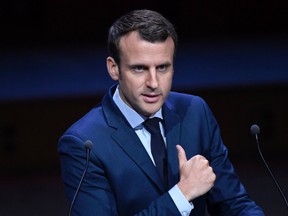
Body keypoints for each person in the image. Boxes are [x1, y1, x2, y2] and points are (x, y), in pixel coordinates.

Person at [58, 9, 265, 215]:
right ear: (114, 68)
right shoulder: (84, 143)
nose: (154, 83)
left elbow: (234, 204)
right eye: (139, 68)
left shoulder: (194, 112)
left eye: (163, 67)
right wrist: (181, 195)